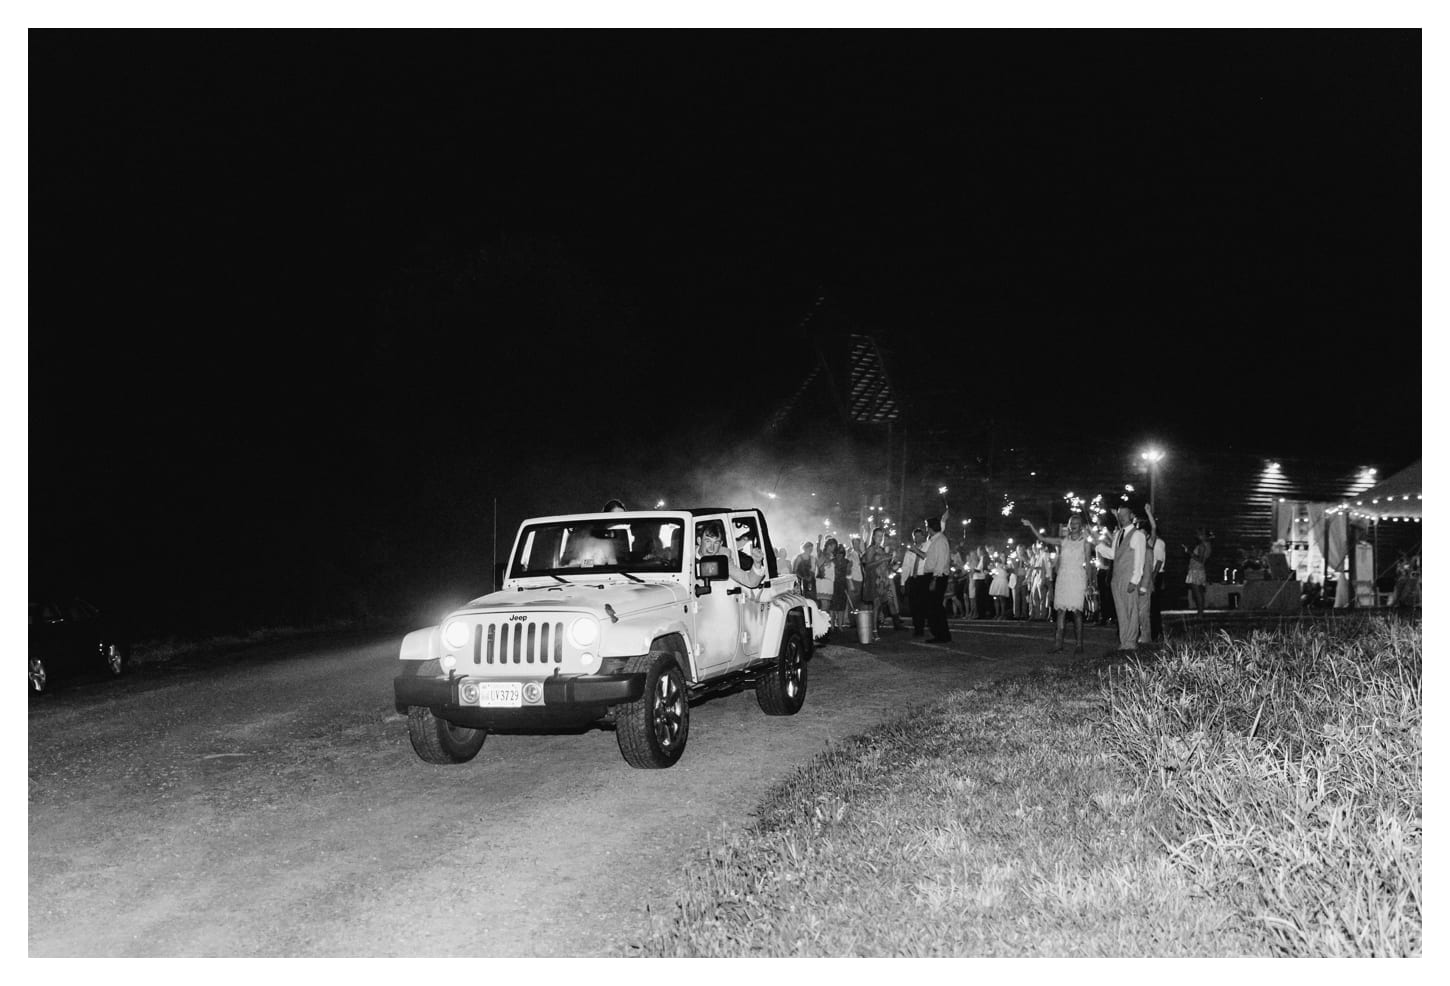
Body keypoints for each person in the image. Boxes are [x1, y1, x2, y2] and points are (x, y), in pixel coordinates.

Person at [1020, 514, 1091, 653]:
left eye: (1076, 522)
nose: (1073, 525)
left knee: (1077, 612)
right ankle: (1058, 644)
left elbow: (1088, 564)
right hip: (1063, 577)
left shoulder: (1085, 543)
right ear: (1068, 526)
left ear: (1081, 525)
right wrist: (1031, 526)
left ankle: (1079, 645)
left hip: (1077, 577)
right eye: (1071, 523)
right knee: (1060, 611)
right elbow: (1042, 538)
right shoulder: (1063, 541)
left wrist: (1089, 583)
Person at [1094, 502, 1151, 652]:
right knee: (1120, 611)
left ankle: (1131, 642)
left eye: (1124, 515)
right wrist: (1098, 546)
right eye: (1120, 515)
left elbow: (1140, 559)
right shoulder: (1118, 534)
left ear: (1131, 516)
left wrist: (1135, 580)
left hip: (1129, 577)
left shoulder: (1138, 535)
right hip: (1116, 577)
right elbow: (1113, 555)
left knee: (1131, 610)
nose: (1122, 517)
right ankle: (1124, 641)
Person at [920, 514, 953, 642]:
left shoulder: (940, 541)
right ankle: (939, 633)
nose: (926, 529)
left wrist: (934, 579)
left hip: (937, 576)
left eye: (927, 527)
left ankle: (941, 634)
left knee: (935, 606)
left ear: (931, 527)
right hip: (934, 575)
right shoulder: (936, 540)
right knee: (933, 606)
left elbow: (940, 562)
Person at [864, 527, 904, 630]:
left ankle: (877, 626)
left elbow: (885, 566)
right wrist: (882, 560)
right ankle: (874, 630)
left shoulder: (881, 549)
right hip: (875, 580)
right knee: (877, 605)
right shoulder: (871, 549)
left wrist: (893, 564)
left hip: (884, 580)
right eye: (878, 536)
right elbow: (867, 566)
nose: (880, 538)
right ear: (873, 537)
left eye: (881, 536)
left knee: (884, 603)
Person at [900, 527, 928, 636]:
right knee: (913, 605)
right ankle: (917, 627)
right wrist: (902, 583)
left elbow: (927, 558)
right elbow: (906, 567)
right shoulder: (909, 551)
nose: (918, 538)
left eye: (919, 535)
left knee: (922, 604)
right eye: (915, 536)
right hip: (913, 579)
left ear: (923, 536)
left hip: (923, 578)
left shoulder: (927, 547)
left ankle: (921, 627)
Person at [1184, 527, 1213, 617]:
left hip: (1196, 570)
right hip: (1199, 570)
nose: (1198, 536)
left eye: (1200, 534)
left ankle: (1200, 613)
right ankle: (1200, 612)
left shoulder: (1202, 546)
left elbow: (1200, 560)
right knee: (1199, 592)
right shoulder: (1207, 545)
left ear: (1204, 536)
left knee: (1197, 593)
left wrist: (1189, 552)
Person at [816, 536, 838, 620]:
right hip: (823, 582)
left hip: (830, 582)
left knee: (827, 605)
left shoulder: (832, 556)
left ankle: (824, 624)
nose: (833, 548)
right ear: (828, 545)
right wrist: (819, 540)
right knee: (824, 605)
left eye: (834, 547)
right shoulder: (823, 554)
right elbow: (818, 552)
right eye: (832, 546)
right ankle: (821, 624)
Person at [845, 534, 865, 616]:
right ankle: (852, 620)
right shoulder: (851, 556)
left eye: (858, 543)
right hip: (854, 580)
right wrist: (850, 583)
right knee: (853, 601)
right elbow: (848, 570)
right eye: (855, 543)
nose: (856, 545)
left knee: (859, 601)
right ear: (852, 544)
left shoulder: (862, 555)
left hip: (862, 580)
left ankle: (858, 619)